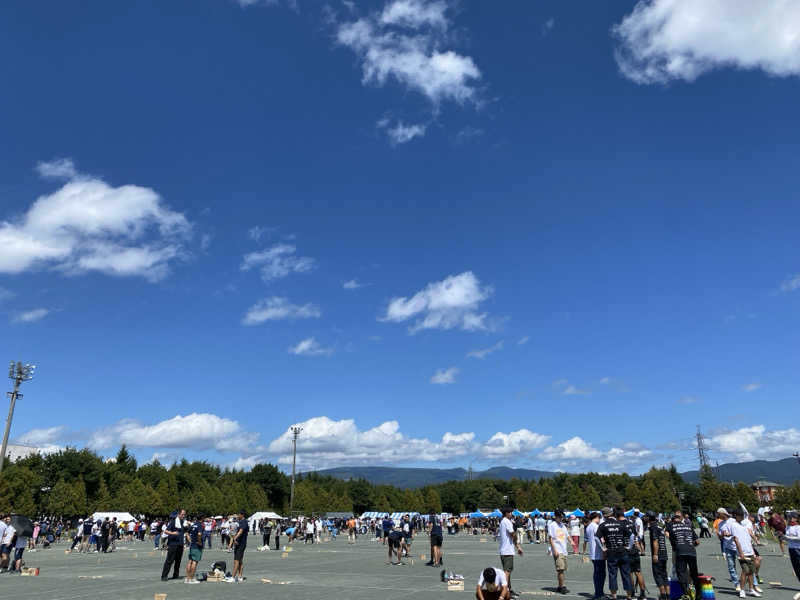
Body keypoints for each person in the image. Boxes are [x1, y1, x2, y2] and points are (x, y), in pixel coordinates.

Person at [597, 507, 633, 600]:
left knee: (612, 575)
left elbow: (596, 538)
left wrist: (603, 548)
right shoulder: (620, 523)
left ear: (604, 516)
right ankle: (629, 596)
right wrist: (629, 546)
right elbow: (632, 535)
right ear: (612, 514)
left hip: (611, 552)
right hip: (622, 551)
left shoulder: (603, 525)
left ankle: (614, 596)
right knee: (626, 574)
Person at [665, 509, 701, 600]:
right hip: (691, 551)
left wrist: (675, 543)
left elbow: (668, 535)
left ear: (674, 519)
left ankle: (686, 593)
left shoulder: (671, 526)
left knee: (681, 572)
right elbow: (697, 541)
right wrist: (690, 545)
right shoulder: (688, 526)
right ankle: (698, 594)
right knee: (694, 573)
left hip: (680, 550)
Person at [731, 509, 761, 598]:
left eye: (742, 515)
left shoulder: (743, 525)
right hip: (742, 552)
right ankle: (742, 590)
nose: (742, 517)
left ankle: (751, 590)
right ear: (735, 515)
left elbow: (748, 538)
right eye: (740, 515)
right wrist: (741, 553)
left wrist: (753, 550)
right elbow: (736, 540)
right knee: (745, 571)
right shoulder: (734, 525)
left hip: (750, 551)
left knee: (751, 571)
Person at [499, 506, 523, 599]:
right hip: (507, 551)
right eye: (510, 512)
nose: (511, 514)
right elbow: (512, 534)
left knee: (508, 571)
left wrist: (518, 547)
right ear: (506, 513)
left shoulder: (503, 521)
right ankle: (505, 591)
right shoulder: (507, 522)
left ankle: (509, 589)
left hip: (505, 550)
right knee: (507, 572)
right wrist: (517, 541)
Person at [161, 509, 187, 582]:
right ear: (178, 515)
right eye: (182, 514)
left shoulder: (183, 523)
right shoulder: (173, 522)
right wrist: (173, 533)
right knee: (169, 561)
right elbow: (165, 531)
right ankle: (164, 576)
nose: (183, 516)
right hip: (173, 544)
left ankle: (176, 574)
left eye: (184, 514)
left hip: (180, 544)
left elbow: (186, 531)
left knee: (178, 561)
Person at [548, 509, 570, 595]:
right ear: (556, 517)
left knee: (563, 569)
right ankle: (562, 587)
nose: (561, 518)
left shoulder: (562, 525)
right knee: (560, 569)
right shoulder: (552, 525)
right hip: (558, 550)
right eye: (560, 517)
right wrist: (554, 550)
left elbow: (567, 535)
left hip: (563, 550)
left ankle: (559, 586)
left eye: (562, 517)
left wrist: (571, 541)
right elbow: (550, 538)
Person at [649, 512, 670, 600]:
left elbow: (655, 541)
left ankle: (663, 595)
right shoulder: (659, 527)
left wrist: (655, 554)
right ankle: (668, 595)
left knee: (658, 575)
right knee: (664, 575)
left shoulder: (653, 528)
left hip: (659, 554)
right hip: (664, 553)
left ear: (649, 518)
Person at [585, 511, 606, 600]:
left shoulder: (588, 526)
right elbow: (598, 538)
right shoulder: (595, 526)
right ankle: (599, 593)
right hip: (598, 553)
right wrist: (603, 548)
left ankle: (598, 592)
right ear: (596, 517)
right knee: (601, 574)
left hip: (593, 553)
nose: (600, 519)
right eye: (599, 518)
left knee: (597, 573)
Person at [718, 508, 740, 587]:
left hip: (738, 546)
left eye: (719, 514)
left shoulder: (733, 521)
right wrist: (722, 535)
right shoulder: (720, 524)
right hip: (728, 548)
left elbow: (739, 532)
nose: (718, 515)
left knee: (745, 566)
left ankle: (753, 583)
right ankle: (736, 584)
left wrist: (730, 534)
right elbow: (720, 538)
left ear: (723, 513)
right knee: (731, 567)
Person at [783, 512, 800, 600]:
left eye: (790, 517)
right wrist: (782, 537)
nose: (788, 519)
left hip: (798, 549)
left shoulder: (798, 527)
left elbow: (799, 538)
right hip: (791, 549)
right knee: (796, 568)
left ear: (795, 518)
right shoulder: (788, 526)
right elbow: (787, 537)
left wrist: (789, 538)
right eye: (788, 517)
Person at [230, 509, 248, 582]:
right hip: (238, 543)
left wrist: (235, 538)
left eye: (239, 514)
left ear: (242, 515)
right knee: (240, 560)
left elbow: (240, 532)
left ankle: (233, 577)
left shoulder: (244, 522)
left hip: (241, 544)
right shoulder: (239, 522)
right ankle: (240, 576)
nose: (237, 516)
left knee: (236, 560)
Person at [185, 516, 203, 584]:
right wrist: (199, 542)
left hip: (192, 545)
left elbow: (187, 533)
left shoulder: (193, 525)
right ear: (202, 518)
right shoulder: (200, 525)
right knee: (195, 562)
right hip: (197, 546)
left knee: (190, 561)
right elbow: (199, 534)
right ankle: (192, 579)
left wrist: (190, 540)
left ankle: (187, 578)